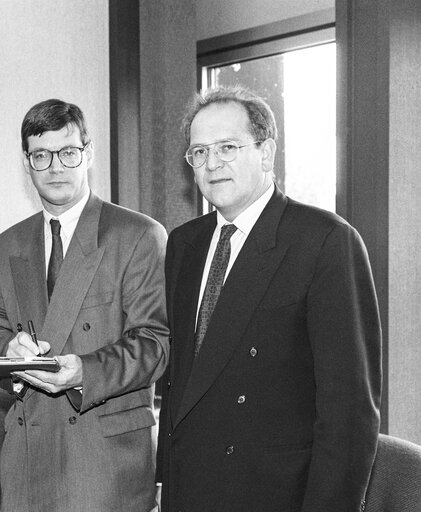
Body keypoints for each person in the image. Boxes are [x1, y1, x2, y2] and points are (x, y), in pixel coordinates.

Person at [156, 86, 382, 511]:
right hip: (192, 489)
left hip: (276, 494)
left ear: (266, 152)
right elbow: (181, 383)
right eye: (199, 152)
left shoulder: (324, 241)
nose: (212, 164)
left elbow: (349, 412)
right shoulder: (184, 245)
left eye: (227, 147)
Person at [0, 99, 169, 512]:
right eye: (41, 156)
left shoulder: (137, 236)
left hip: (103, 461)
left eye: (68, 153)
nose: (55, 168)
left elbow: (155, 344)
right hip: (28, 458)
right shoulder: (4, 247)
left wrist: (86, 372)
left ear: (89, 154)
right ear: (26, 163)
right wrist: (8, 351)